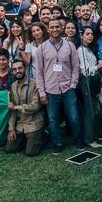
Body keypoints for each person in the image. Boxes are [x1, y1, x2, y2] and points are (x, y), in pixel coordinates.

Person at [34, 18, 83, 154]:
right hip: (50, 89)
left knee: (73, 117)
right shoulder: (41, 48)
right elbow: (39, 72)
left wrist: (73, 84)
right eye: (52, 27)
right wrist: (42, 92)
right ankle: (58, 143)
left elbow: (75, 66)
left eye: (57, 27)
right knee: (53, 119)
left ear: (61, 28)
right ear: (48, 29)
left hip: (68, 88)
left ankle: (78, 139)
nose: (55, 29)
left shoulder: (70, 46)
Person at [5, 58, 45, 156]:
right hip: (20, 124)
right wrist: (11, 128)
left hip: (34, 123)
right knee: (9, 149)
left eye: (20, 68)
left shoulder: (35, 83)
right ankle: (27, 140)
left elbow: (35, 106)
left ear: (25, 68)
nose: (17, 71)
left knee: (30, 152)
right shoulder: (13, 86)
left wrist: (16, 107)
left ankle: (44, 135)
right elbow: (12, 111)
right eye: (14, 69)